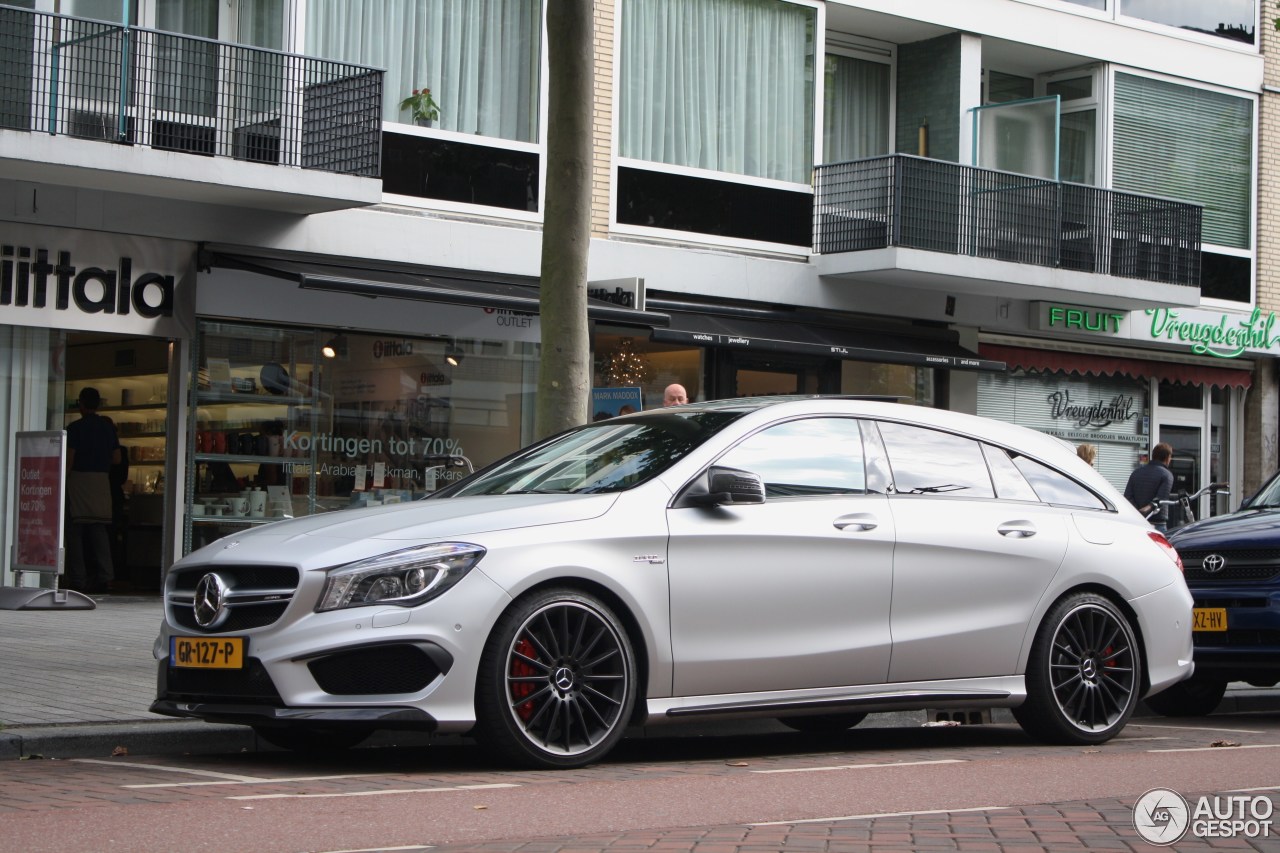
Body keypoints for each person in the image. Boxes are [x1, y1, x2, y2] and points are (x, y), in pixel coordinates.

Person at [65, 387, 121, 593]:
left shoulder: (74, 428)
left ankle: (78, 578)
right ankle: (107, 576)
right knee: (99, 530)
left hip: (79, 481)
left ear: (81, 404)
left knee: (75, 531)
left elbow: (69, 460)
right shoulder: (108, 428)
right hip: (101, 482)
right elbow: (117, 458)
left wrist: (63, 478)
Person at [1124, 442, 1174, 532]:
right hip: (1157, 523)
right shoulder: (1167, 475)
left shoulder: (1136, 473)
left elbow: (1128, 497)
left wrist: (1138, 512)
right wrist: (1147, 509)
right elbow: (1161, 498)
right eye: (1170, 457)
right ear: (1167, 458)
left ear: (1153, 456)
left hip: (1136, 521)